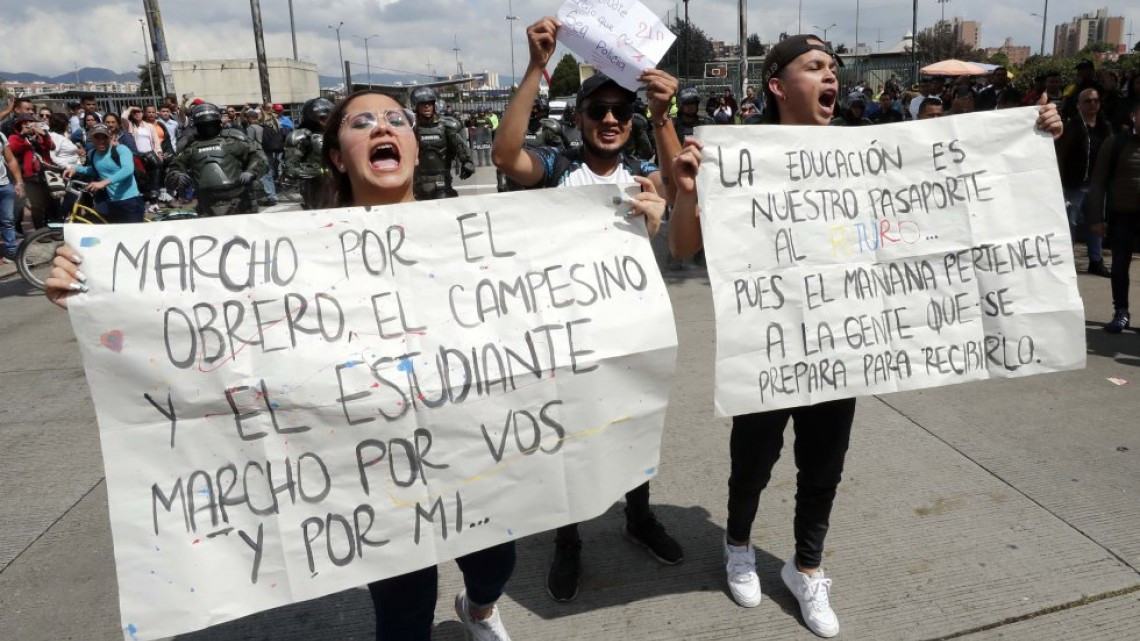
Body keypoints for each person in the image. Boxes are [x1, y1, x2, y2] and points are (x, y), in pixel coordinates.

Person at [45, 88, 517, 641]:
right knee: (403, 607)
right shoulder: (288, 250)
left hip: (468, 441)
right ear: (338, 155)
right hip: (369, 460)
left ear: (414, 145)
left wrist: (627, 225)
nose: (383, 128)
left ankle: (479, 609)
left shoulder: (481, 228)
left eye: (397, 119)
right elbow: (196, 326)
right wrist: (98, 289)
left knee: (492, 565)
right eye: (362, 122)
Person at [666, 33, 1064, 639]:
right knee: (753, 461)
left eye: (834, 69)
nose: (832, 78)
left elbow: (964, 184)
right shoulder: (732, 155)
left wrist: (1034, 135)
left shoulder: (867, 151)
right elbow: (684, 248)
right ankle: (739, 543)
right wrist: (691, 192)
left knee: (823, 464)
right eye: (816, 67)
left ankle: (807, 568)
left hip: (842, 342)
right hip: (772, 345)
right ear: (778, 85)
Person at [493, 15, 690, 604]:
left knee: (633, 428)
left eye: (620, 112)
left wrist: (663, 115)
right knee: (570, 441)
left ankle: (637, 515)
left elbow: (678, 189)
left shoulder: (640, 177)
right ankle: (569, 538)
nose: (610, 119)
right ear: (577, 118)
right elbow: (506, 156)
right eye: (597, 110)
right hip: (565, 336)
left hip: (631, 332)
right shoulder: (556, 172)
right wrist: (536, 68)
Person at [1088, 100, 1140, 334]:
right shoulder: (1116, 142)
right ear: (1133, 116)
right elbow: (1098, 182)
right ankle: (1121, 312)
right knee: (1119, 267)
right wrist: (1097, 217)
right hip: (1122, 216)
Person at [166, 102, 265, 217]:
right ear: (196, 125)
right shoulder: (189, 145)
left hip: (238, 199)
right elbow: (173, 169)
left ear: (218, 122)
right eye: (203, 125)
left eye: (211, 124)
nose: (208, 128)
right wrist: (177, 176)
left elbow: (258, 156)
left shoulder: (234, 139)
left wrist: (251, 172)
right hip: (206, 202)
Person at [1056, 88, 1113, 277]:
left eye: (1096, 101)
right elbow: (1061, 154)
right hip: (1075, 184)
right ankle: (1066, 261)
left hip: (1098, 186)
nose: (1092, 104)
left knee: (1096, 223)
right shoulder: (1071, 127)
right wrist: (1061, 181)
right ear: (1079, 105)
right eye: (1088, 101)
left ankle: (1096, 261)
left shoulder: (1105, 127)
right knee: (1070, 223)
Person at [62, 124, 144, 223]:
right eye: (97, 137)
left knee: (133, 235)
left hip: (130, 201)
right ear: (91, 139)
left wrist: (103, 182)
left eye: (104, 137)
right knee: (95, 223)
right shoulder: (92, 154)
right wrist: (76, 169)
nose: (101, 141)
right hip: (111, 201)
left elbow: (127, 169)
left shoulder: (120, 150)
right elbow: (97, 169)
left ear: (109, 138)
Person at [409, 86, 474, 200]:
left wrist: (467, 162)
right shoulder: (411, 127)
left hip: (442, 181)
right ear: (416, 106)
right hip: (418, 182)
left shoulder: (446, 125)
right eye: (423, 104)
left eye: (430, 103)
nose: (427, 106)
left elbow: (459, 145)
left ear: (435, 105)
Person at [496, 97, 565, 192]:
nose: (532, 111)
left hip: (542, 181)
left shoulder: (548, 129)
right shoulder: (514, 130)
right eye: (530, 108)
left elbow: (560, 157)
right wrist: (502, 186)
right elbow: (504, 159)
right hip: (517, 181)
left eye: (535, 108)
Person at [7, 112, 55, 229]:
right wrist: (23, 136)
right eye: (25, 124)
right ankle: (31, 230)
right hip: (24, 176)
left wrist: (43, 134)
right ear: (18, 126)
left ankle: (46, 228)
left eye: (31, 123)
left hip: (39, 175)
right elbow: (14, 148)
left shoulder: (35, 138)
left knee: (44, 203)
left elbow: (51, 147)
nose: (28, 126)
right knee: (25, 205)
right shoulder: (14, 137)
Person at [284, 97, 333, 209]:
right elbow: (290, 169)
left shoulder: (340, 134)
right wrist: (322, 171)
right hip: (316, 189)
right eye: (322, 117)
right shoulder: (300, 137)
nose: (326, 121)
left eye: (330, 117)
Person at [241, 108, 277, 206]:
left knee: (263, 175)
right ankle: (272, 196)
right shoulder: (263, 126)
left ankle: (271, 197)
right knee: (269, 174)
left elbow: (250, 142)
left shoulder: (251, 128)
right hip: (268, 152)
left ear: (250, 118)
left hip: (260, 153)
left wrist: (247, 154)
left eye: (247, 118)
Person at [0, 133, 24, 261]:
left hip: (4, 185)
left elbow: (11, 160)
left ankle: (11, 252)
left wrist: (19, 182)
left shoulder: (0, 135)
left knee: (8, 221)